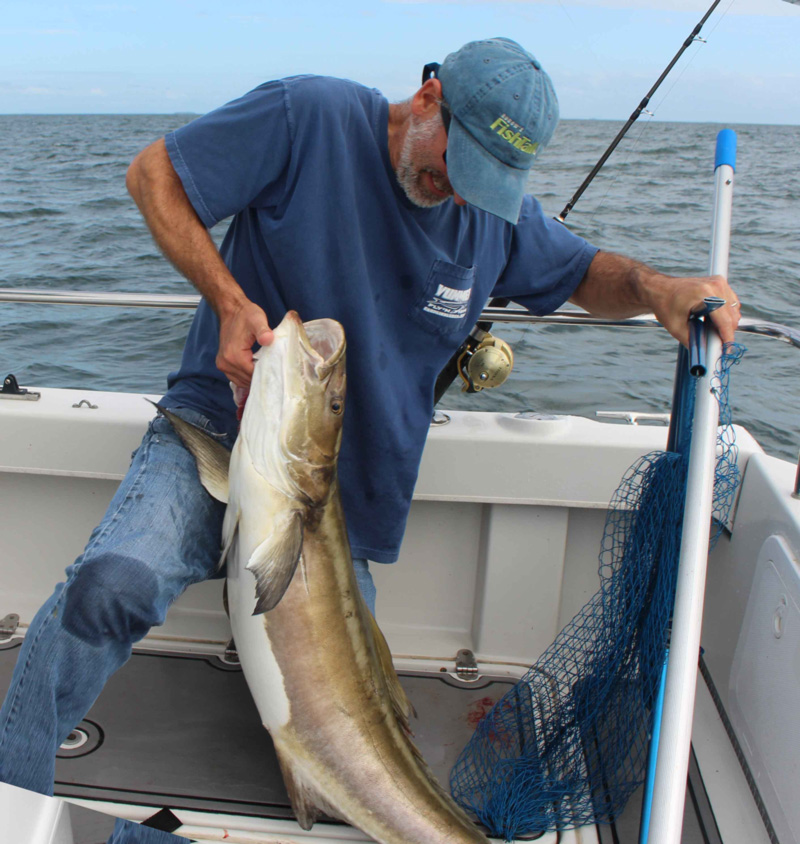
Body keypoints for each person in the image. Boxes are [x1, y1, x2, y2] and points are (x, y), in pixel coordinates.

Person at [0, 37, 741, 844]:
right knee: (114, 582)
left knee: (361, 728)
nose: (461, 195)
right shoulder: (310, 116)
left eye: (489, 185)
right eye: (456, 167)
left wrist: (656, 288)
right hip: (221, 429)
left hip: (339, 510)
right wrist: (226, 299)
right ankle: (12, 788)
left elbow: (583, 272)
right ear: (427, 99)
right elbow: (155, 175)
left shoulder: (486, 222)